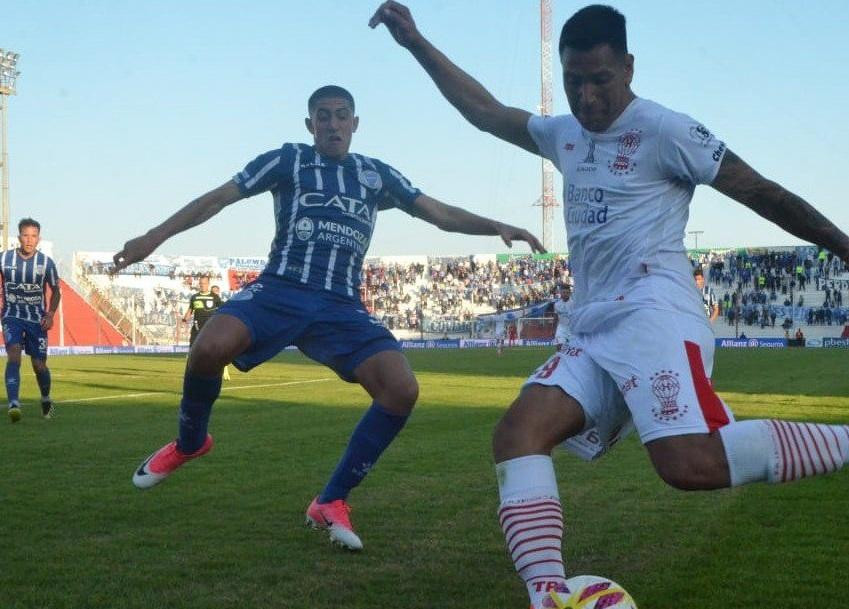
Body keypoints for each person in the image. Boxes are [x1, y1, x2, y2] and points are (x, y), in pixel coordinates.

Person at [371, 4, 849, 607]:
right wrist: (415, 41)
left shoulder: (666, 130)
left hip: (655, 316)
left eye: (600, 79)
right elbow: (487, 113)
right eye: (574, 80)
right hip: (592, 324)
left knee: (687, 465)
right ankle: (549, 596)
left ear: (627, 67)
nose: (587, 96)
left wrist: (842, 247)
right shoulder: (561, 134)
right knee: (518, 435)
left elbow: (759, 190)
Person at [112, 85, 544, 551]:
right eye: (323, 116)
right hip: (281, 290)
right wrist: (152, 238)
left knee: (402, 389)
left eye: (341, 116)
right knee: (209, 347)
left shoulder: (375, 175)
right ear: (310, 125)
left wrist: (494, 224)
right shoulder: (289, 160)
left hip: (341, 306)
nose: (333, 124)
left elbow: (437, 212)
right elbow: (218, 198)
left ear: (355, 124)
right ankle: (190, 442)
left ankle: (330, 500)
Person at [1, 218, 61, 422]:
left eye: (33, 236)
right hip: (12, 316)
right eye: (25, 235)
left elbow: (56, 292)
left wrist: (50, 314)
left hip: (37, 320)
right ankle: (14, 404)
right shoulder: (4, 259)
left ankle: (45, 398)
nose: (29, 240)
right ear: (19, 237)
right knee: (14, 356)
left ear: (39, 239)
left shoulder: (46, 263)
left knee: (39, 365)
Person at [182, 276, 230, 381]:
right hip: (197, 327)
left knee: (214, 350)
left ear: (208, 284)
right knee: (193, 349)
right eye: (200, 283)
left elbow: (224, 307)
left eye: (204, 283)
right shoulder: (194, 297)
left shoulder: (214, 297)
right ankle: (190, 372)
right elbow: (190, 309)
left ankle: (222, 368)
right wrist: (185, 318)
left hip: (210, 328)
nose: (202, 285)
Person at [552, 285, 573, 352]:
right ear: (560, 293)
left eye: (567, 292)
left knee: (572, 348)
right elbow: (555, 318)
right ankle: (559, 361)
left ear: (570, 293)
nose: (565, 294)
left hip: (572, 329)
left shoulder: (574, 303)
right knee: (559, 346)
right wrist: (554, 329)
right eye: (564, 292)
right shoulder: (557, 304)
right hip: (561, 328)